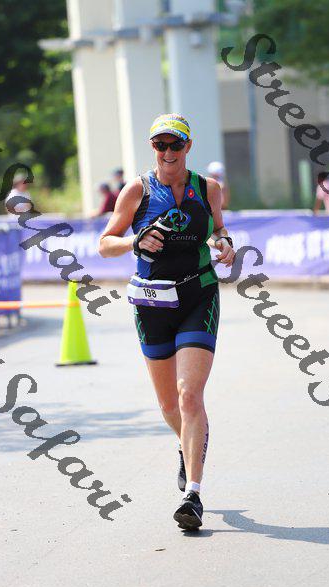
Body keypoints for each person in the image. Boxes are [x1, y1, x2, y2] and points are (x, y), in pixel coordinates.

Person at [99, 114, 235, 531]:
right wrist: (134, 241)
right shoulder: (137, 190)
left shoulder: (207, 188)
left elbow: (218, 229)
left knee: (189, 395)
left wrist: (224, 243)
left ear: (188, 147)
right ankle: (186, 444)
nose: (168, 152)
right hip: (152, 303)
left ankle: (192, 494)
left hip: (198, 294)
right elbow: (105, 244)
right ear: (152, 148)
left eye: (175, 144)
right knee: (168, 405)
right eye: (160, 145)